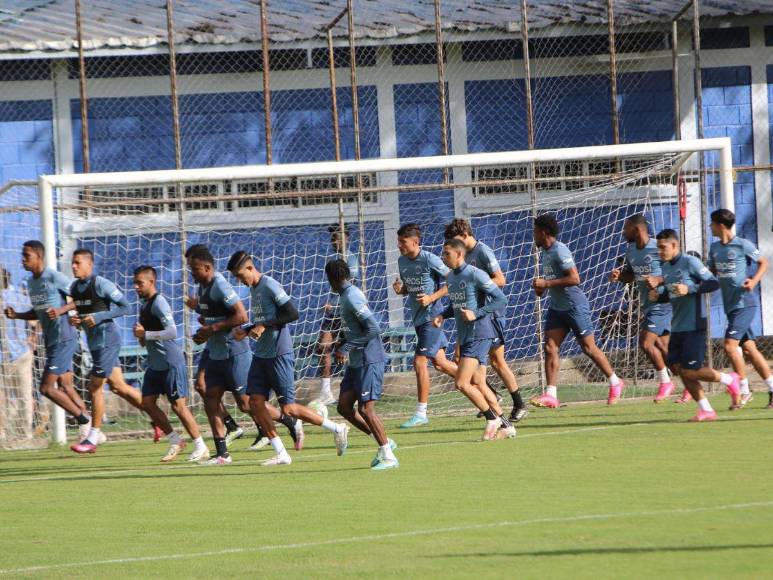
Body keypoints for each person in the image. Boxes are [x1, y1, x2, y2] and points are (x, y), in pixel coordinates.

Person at [228, 251, 348, 466]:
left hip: (279, 354)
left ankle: (338, 428)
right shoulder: (254, 289)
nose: (239, 281)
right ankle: (281, 453)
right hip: (261, 355)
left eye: (239, 275)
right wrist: (246, 330)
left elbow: (292, 314)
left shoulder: (270, 285)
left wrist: (263, 325)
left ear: (250, 268)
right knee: (255, 402)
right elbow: (263, 320)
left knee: (289, 409)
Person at [530, 214, 624, 408]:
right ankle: (551, 394)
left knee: (588, 348)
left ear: (543, 232)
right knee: (550, 348)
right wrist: (541, 288)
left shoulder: (559, 250)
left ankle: (615, 381)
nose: (533, 236)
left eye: (535, 232)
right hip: (557, 307)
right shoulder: (545, 252)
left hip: (574, 306)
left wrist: (546, 283)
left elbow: (575, 278)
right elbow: (550, 284)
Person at [648, 229, 741, 421]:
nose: (660, 251)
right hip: (678, 327)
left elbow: (713, 284)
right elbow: (673, 293)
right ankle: (706, 410)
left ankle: (730, 379)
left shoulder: (690, 262)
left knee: (691, 370)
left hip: (694, 325)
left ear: (675, 245)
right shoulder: (665, 268)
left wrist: (689, 288)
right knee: (680, 369)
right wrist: (659, 296)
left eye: (663, 247)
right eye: (658, 247)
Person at [3, 242, 92, 440]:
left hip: (64, 337)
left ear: (39, 256)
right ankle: (93, 430)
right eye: (22, 256)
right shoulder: (31, 283)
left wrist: (61, 310)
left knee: (46, 388)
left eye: (27, 256)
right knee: (66, 387)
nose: (23, 260)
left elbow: (82, 297)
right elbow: (39, 312)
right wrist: (17, 315)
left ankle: (84, 420)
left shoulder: (54, 277)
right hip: (52, 340)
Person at [444, 218, 528, 422]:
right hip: (472, 318)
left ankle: (517, 403)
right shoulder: (461, 260)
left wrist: (476, 285)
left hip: (489, 315)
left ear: (465, 236)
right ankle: (493, 398)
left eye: (456, 241)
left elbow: (500, 279)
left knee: (497, 361)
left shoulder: (483, 251)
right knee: (461, 359)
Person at [433, 239, 515, 441]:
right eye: (443, 254)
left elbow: (500, 299)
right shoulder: (451, 277)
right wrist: (443, 314)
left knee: (461, 383)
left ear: (459, 255)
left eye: (447, 254)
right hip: (467, 335)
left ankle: (491, 417)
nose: (444, 257)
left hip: (480, 333)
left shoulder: (476, 274)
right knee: (478, 382)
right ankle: (506, 425)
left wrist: (477, 313)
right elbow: (458, 304)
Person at [68, 248, 147, 453]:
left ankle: (93, 437)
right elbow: (86, 315)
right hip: (95, 345)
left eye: (78, 262)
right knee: (119, 386)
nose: (74, 266)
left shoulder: (101, 284)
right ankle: (158, 419)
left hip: (108, 341)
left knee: (94, 386)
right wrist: (77, 320)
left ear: (89, 264)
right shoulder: (75, 288)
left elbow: (126, 307)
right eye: (73, 262)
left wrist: (100, 317)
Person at [326, 258, 399, 469]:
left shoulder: (352, 297)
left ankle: (388, 455)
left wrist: (346, 348)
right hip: (357, 362)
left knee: (367, 409)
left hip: (369, 359)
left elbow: (374, 329)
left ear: (332, 279)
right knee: (344, 407)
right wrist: (343, 342)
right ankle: (384, 442)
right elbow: (355, 328)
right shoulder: (344, 296)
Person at [132, 265, 209, 462]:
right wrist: (141, 336)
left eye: (139, 283)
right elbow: (147, 337)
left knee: (178, 406)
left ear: (152, 282)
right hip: (155, 365)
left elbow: (173, 332)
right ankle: (176, 440)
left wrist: (146, 334)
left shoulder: (160, 303)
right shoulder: (144, 305)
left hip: (170, 361)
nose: (136, 287)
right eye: (135, 283)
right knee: (147, 403)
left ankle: (201, 446)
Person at [392, 223, 457, 428]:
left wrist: (432, 298)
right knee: (441, 364)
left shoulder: (429, 259)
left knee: (420, 362)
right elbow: (409, 290)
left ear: (415, 242)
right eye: (399, 241)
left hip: (433, 317)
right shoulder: (402, 261)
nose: (399, 245)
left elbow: (454, 280)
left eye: (403, 241)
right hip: (419, 320)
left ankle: (421, 412)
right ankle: (483, 387)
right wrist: (400, 290)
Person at [708, 209, 773, 409]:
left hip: (745, 303)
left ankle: (744, 391)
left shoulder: (742, 245)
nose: (710, 227)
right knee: (749, 349)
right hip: (731, 306)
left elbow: (763, 262)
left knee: (729, 346)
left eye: (711, 223)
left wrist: (753, 281)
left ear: (720, 225)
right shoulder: (714, 248)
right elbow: (711, 272)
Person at [184, 244, 245, 448]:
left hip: (231, 349)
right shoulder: (203, 286)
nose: (191, 272)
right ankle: (222, 450)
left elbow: (241, 316)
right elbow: (209, 317)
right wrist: (203, 331)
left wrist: (211, 329)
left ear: (207, 266)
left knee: (246, 404)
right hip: (215, 347)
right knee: (206, 391)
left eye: (194, 267)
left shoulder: (220, 285)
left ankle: (288, 420)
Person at [609, 215, 674, 402]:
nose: (623, 233)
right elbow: (631, 275)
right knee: (664, 349)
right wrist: (619, 276)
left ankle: (665, 382)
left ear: (637, 230)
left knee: (646, 343)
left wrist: (658, 279)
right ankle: (691, 382)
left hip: (662, 303)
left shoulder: (657, 247)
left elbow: (677, 271)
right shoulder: (630, 250)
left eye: (625, 229)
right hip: (648, 305)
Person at [314, 225, 359, 405]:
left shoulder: (352, 260)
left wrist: (335, 303)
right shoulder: (332, 259)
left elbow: (349, 287)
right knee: (322, 347)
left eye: (338, 237)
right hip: (332, 314)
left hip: (347, 313)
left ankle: (354, 390)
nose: (334, 241)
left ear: (347, 238)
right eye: (332, 238)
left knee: (350, 351)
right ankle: (326, 392)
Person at [0, 267, 36, 439]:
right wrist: (33, 339)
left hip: (6, 356)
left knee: (3, 398)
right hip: (22, 352)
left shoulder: (14, 298)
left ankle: (2, 432)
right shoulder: (22, 298)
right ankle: (25, 433)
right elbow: (37, 320)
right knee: (24, 396)